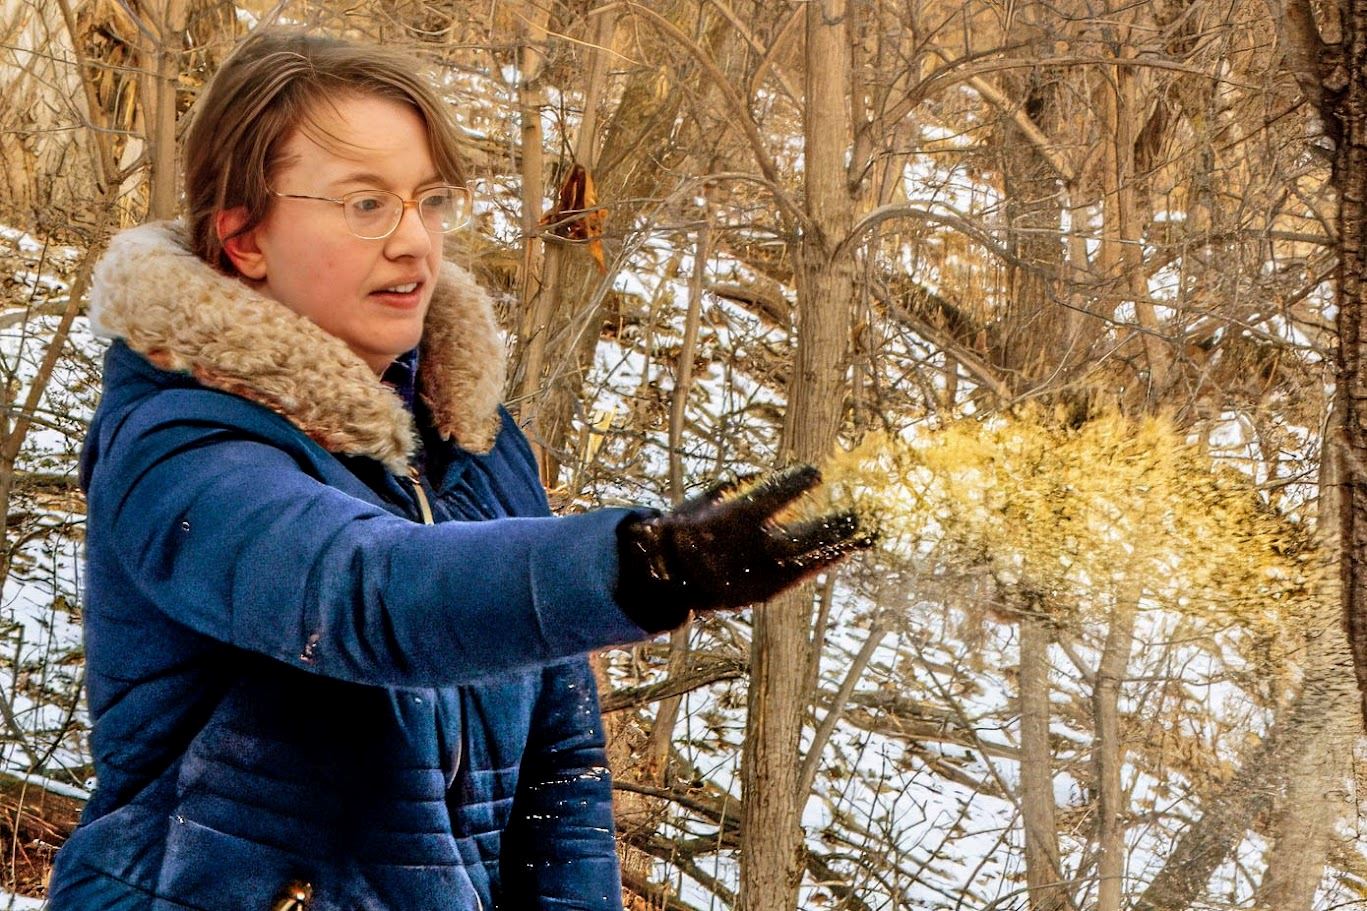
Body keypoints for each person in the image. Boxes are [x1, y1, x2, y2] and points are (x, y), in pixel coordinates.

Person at [45, 29, 869, 911]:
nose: (414, 242)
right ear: (243, 237)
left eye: (429, 200)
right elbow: (362, 595)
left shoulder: (474, 441)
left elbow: (561, 776)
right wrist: (641, 565)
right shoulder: (179, 446)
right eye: (365, 205)